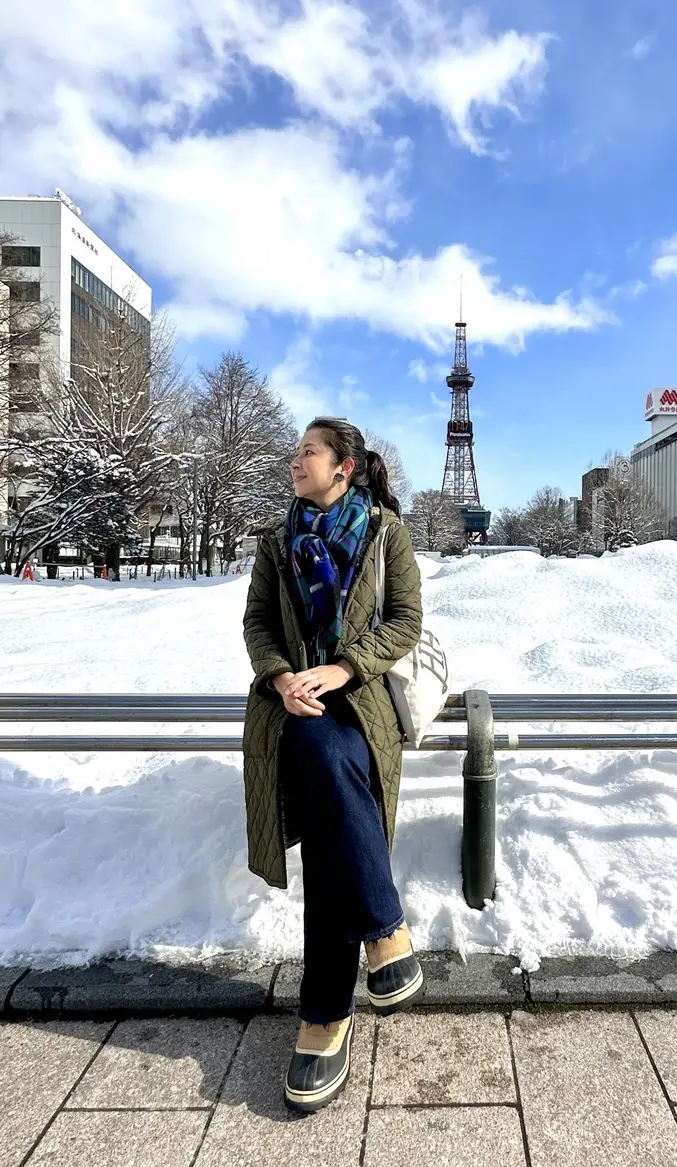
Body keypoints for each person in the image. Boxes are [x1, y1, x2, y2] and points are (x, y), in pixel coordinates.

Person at [242, 417, 425, 1113]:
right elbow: (257, 624)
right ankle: (385, 931)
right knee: (318, 761)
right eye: (296, 452)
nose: (296, 461)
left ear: (343, 468)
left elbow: (405, 620)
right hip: (296, 707)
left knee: (328, 816)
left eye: (308, 452)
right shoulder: (275, 543)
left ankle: (325, 1016)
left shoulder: (384, 534)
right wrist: (285, 676)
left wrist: (345, 665)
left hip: (363, 705)